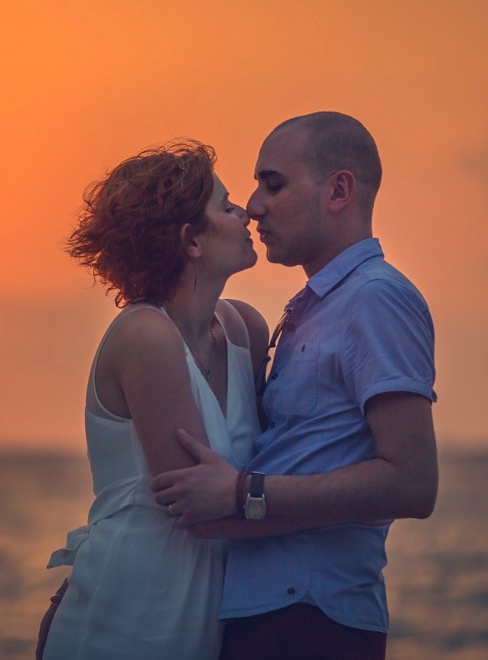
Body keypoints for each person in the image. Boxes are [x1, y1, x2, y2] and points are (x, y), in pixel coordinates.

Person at [151, 112, 438, 660]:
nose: (254, 206)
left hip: (312, 619)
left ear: (339, 191)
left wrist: (241, 494)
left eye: (274, 184)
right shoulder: (315, 308)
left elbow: (413, 482)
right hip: (267, 614)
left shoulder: (376, 298)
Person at [39, 141, 269, 660]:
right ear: (191, 240)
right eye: (225, 205)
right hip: (126, 620)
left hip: (207, 623)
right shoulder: (146, 336)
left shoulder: (245, 329)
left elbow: (251, 478)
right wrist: (354, 501)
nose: (246, 213)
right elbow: (202, 510)